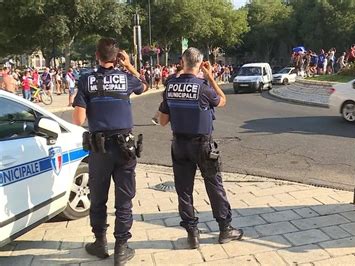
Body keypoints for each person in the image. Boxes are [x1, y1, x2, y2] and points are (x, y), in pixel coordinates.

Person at [157, 47, 243, 249]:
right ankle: (224, 228)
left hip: (179, 145)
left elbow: (162, 121)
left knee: (184, 190)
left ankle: (191, 233)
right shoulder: (203, 88)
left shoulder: (170, 86)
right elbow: (222, 100)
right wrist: (211, 77)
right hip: (202, 145)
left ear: (182, 62)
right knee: (214, 185)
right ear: (200, 64)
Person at [72, 38, 148, 266]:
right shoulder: (126, 79)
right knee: (124, 200)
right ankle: (121, 249)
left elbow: (78, 119)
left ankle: (100, 243)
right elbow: (143, 85)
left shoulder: (86, 80)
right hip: (125, 149)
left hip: (100, 149)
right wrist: (129, 64)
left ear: (97, 55)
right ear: (117, 58)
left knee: (98, 198)